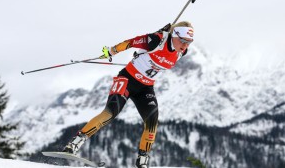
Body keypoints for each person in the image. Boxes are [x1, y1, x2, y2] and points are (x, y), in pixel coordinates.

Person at [62, 21, 194, 168]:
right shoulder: (156, 40)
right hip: (127, 79)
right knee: (109, 113)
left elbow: (165, 53)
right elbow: (130, 42)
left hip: (146, 87)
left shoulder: (182, 52)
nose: (185, 45)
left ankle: (142, 161)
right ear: (174, 35)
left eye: (189, 42)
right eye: (182, 40)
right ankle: (75, 143)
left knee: (152, 123)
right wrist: (112, 51)